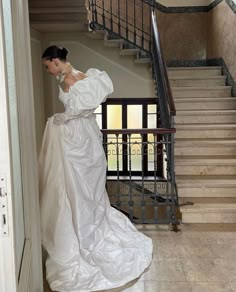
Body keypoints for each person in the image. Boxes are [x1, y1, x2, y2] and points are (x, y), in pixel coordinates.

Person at [39, 45, 153, 292]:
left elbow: (74, 112)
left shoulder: (68, 81)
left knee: (76, 188)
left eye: (48, 66)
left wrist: (58, 120)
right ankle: (90, 224)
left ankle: (81, 232)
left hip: (78, 137)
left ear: (56, 61)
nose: (48, 71)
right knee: (89, 188)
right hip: (90, 135)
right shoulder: (88, 75)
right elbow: (87, 108)